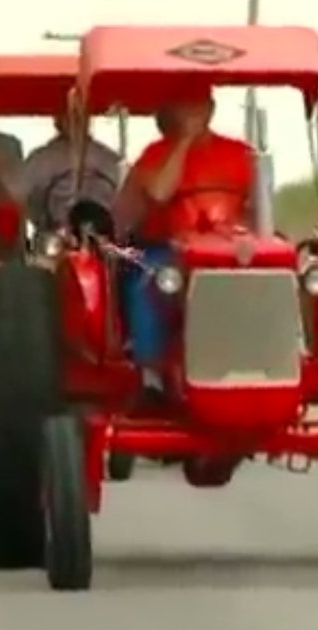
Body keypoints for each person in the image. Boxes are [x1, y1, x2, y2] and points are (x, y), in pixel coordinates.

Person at [111, 88, 255, 398]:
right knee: (146, 280)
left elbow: (255, 210)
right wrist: (185, 143)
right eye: (185, 106)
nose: (193, 113)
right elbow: (160, 193)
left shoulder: (239, 154)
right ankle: (151, 375)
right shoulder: (155, 155)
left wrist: (250, 237)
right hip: (168, 250)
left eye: (199, 105)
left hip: (227, 250)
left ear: (211, 108)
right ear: (171, 113)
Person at [0, 108, 122, 229]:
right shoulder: (43, 159)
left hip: (105, 238)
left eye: (79, 113)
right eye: (69, 112)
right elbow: (14, 191)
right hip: (58, 238)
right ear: (57, 119)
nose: (74, 119)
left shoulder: (109, 159)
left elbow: (127, 198)